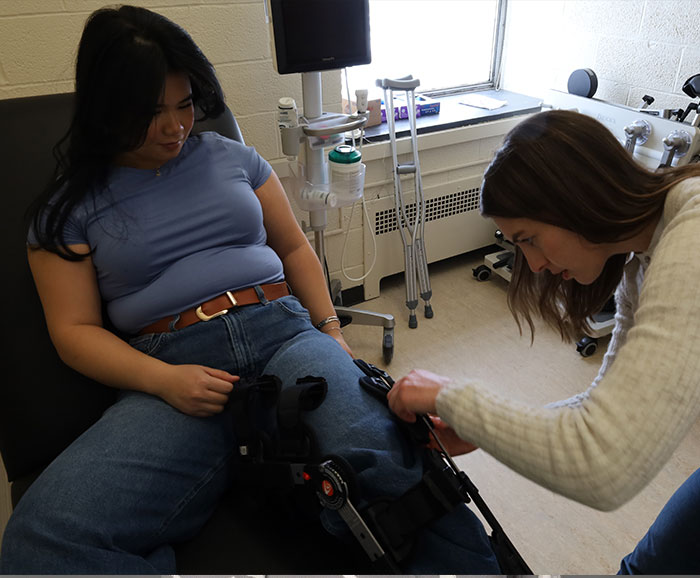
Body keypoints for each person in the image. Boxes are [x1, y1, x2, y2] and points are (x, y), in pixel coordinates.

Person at [0, 5, 500, 574]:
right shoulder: (69, 209)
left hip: (284, 333)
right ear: (106, 109)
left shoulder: (234, 158)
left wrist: (330, 331)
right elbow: (74, 332)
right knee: (39, 543)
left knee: (395, 466)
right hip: (174, 369)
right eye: (149, 113)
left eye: (184, 105)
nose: (174, 128)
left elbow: (293, 250)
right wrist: (165, 381)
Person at [388, 108, 700, 574]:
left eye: (529, 238)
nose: (532, 266)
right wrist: (482, 427)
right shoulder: (640, 263)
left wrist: (454, 397)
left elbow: (604, 464)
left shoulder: (691, 233)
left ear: (576, 200)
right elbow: (600, 404)